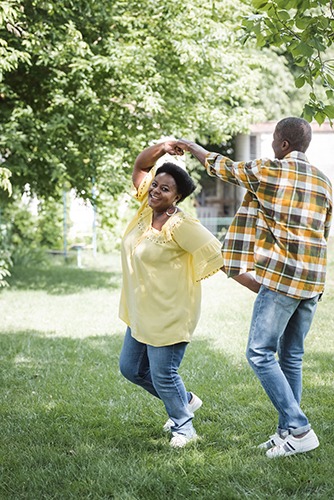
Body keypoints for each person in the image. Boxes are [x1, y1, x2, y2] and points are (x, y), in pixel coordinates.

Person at [175, 117, 333, 457]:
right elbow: (324, 231)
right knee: (291, 357)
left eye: (274, 139)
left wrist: (190, 146)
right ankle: (286, 433)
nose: (272, 146)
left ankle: (300, 427)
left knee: (259, 353)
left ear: (283, 144)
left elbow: (223, 167)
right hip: (313, 280)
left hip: (283, 279)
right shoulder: (324, 182)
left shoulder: (270, 171)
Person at [119, 140, 259, 448]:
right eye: (155, 185)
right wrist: (163, 147)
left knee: (163, 375)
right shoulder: (146, 208)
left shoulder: (182, 225)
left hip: (169, 314)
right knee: (130, 369)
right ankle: (186, 401)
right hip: (141, 309)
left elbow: (220, 258)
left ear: (177, 197)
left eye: (165, 189)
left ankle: (184, 427)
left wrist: (260, 288)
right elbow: (141, 165)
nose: (155, 190)